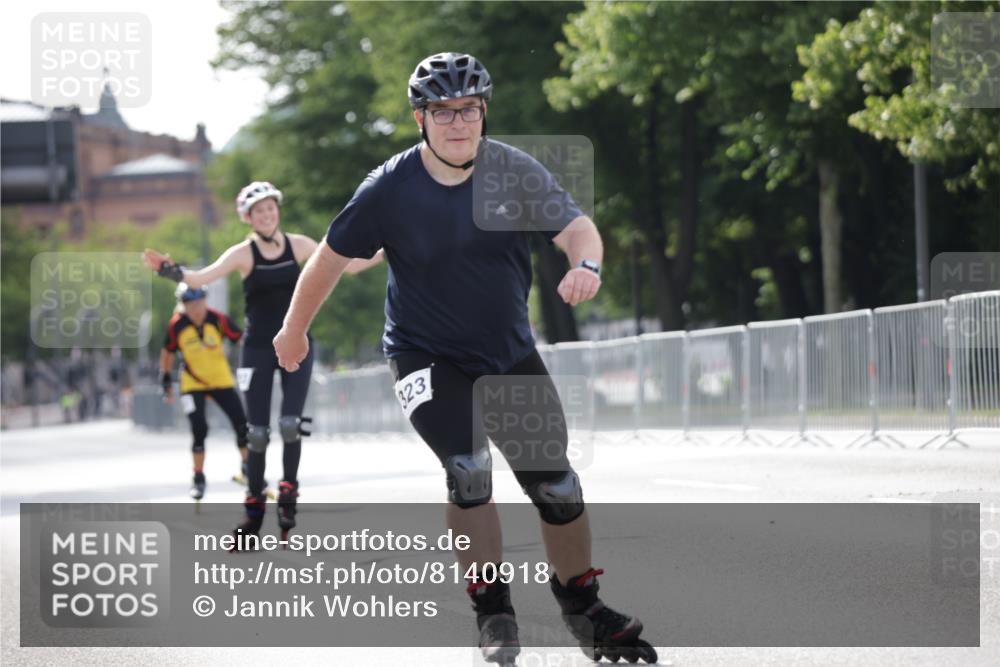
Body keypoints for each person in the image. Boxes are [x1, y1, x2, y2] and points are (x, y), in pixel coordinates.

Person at [273, 53, 657, 664]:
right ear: (420, 118)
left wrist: (586, 265)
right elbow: (328, 258)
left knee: (556, 485)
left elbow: (577, 228)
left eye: (470, 109)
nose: (459, 122)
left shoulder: (513, 170)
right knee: (468, 467)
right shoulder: (389, 186)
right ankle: (493, 611)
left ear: (484, 112)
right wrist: (294, 329)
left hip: (507, 354)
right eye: (444, 111)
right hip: (424, 356)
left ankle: (583, 606)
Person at [143, 183, 383, 539]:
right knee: (256, 434)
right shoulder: (244, 253)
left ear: (277, 210)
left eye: (271, 208)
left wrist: (389, 243)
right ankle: (253, 512)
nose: (267, 215)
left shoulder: (299, 245)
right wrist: (171, 270)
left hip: (296, 342)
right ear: (248, 218)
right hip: (256, 348)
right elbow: (200, 277)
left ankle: (288, 498)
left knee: (290, 424)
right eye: (259, 211)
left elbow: (345, 266)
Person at [160, 283, 247, 500]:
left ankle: (248, 468)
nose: (196, 309)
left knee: (242, 423)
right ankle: (198, 478)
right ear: (183, 305)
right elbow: (167, 353)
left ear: (205, 302)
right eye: (190, 304)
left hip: (221, 380)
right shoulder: (176, 326)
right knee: (199, 428)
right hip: (192, 384)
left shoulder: (218, 319)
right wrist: (166, 382)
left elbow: (241, 339)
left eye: (199, 303)